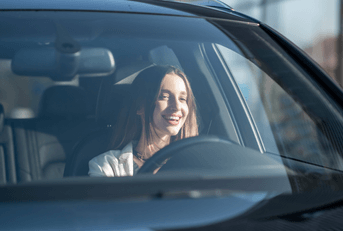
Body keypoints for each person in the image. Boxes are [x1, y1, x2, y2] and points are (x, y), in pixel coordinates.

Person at [88, 65, 198, 177]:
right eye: (164, 97)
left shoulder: (195, 164)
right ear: (140, 106)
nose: (177, 106)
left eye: (182, 99)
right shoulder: (108, 165)